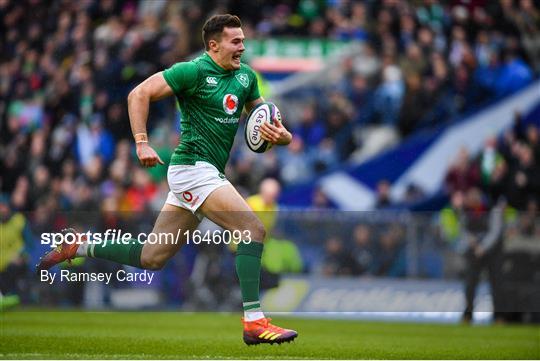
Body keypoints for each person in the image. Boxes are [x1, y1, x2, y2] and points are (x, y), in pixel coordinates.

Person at [37, 14, 297, 345]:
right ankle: (254, 322)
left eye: (243, 40)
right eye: (236, 41)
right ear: (214, 45)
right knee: (251, 229)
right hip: (192, 168)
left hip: (207, 173)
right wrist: (142, 141)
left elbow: (262, 122)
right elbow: (138, 94)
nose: (243, 47)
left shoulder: (246, 78)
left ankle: (80, 244)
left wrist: (282, 136)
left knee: (152, 257)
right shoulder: (193, 71)